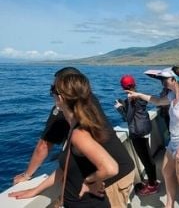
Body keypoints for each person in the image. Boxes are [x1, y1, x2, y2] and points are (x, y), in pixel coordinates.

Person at [13, 66, 136, 206]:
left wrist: (90, 181)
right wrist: (36, 189)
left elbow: (110, 168)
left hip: (111, 179)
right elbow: (67, 164)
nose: (52, 93)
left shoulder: (78, 132)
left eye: (53, 89)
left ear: (61, 97)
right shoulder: (87, 104)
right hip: (118, 168)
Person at [126, 66, 179, 208]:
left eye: (164, 79)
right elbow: (157, 101)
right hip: (173, 141)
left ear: (174, 79)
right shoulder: (173, 95)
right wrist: (138, 94)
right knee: (166, 172)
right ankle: (169, 204)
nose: (162, 82)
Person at [114, 75, 160, 196]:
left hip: (137, 133)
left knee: (146, 159)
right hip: (144, 130)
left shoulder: (130, 98)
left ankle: (152, 186)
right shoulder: (140, 96)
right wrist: (125, 105)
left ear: (123, 87)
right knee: (148, 158)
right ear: (134, 84)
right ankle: (153, 181)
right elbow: (137, 110)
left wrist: (119, 108)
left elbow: (128, 118)